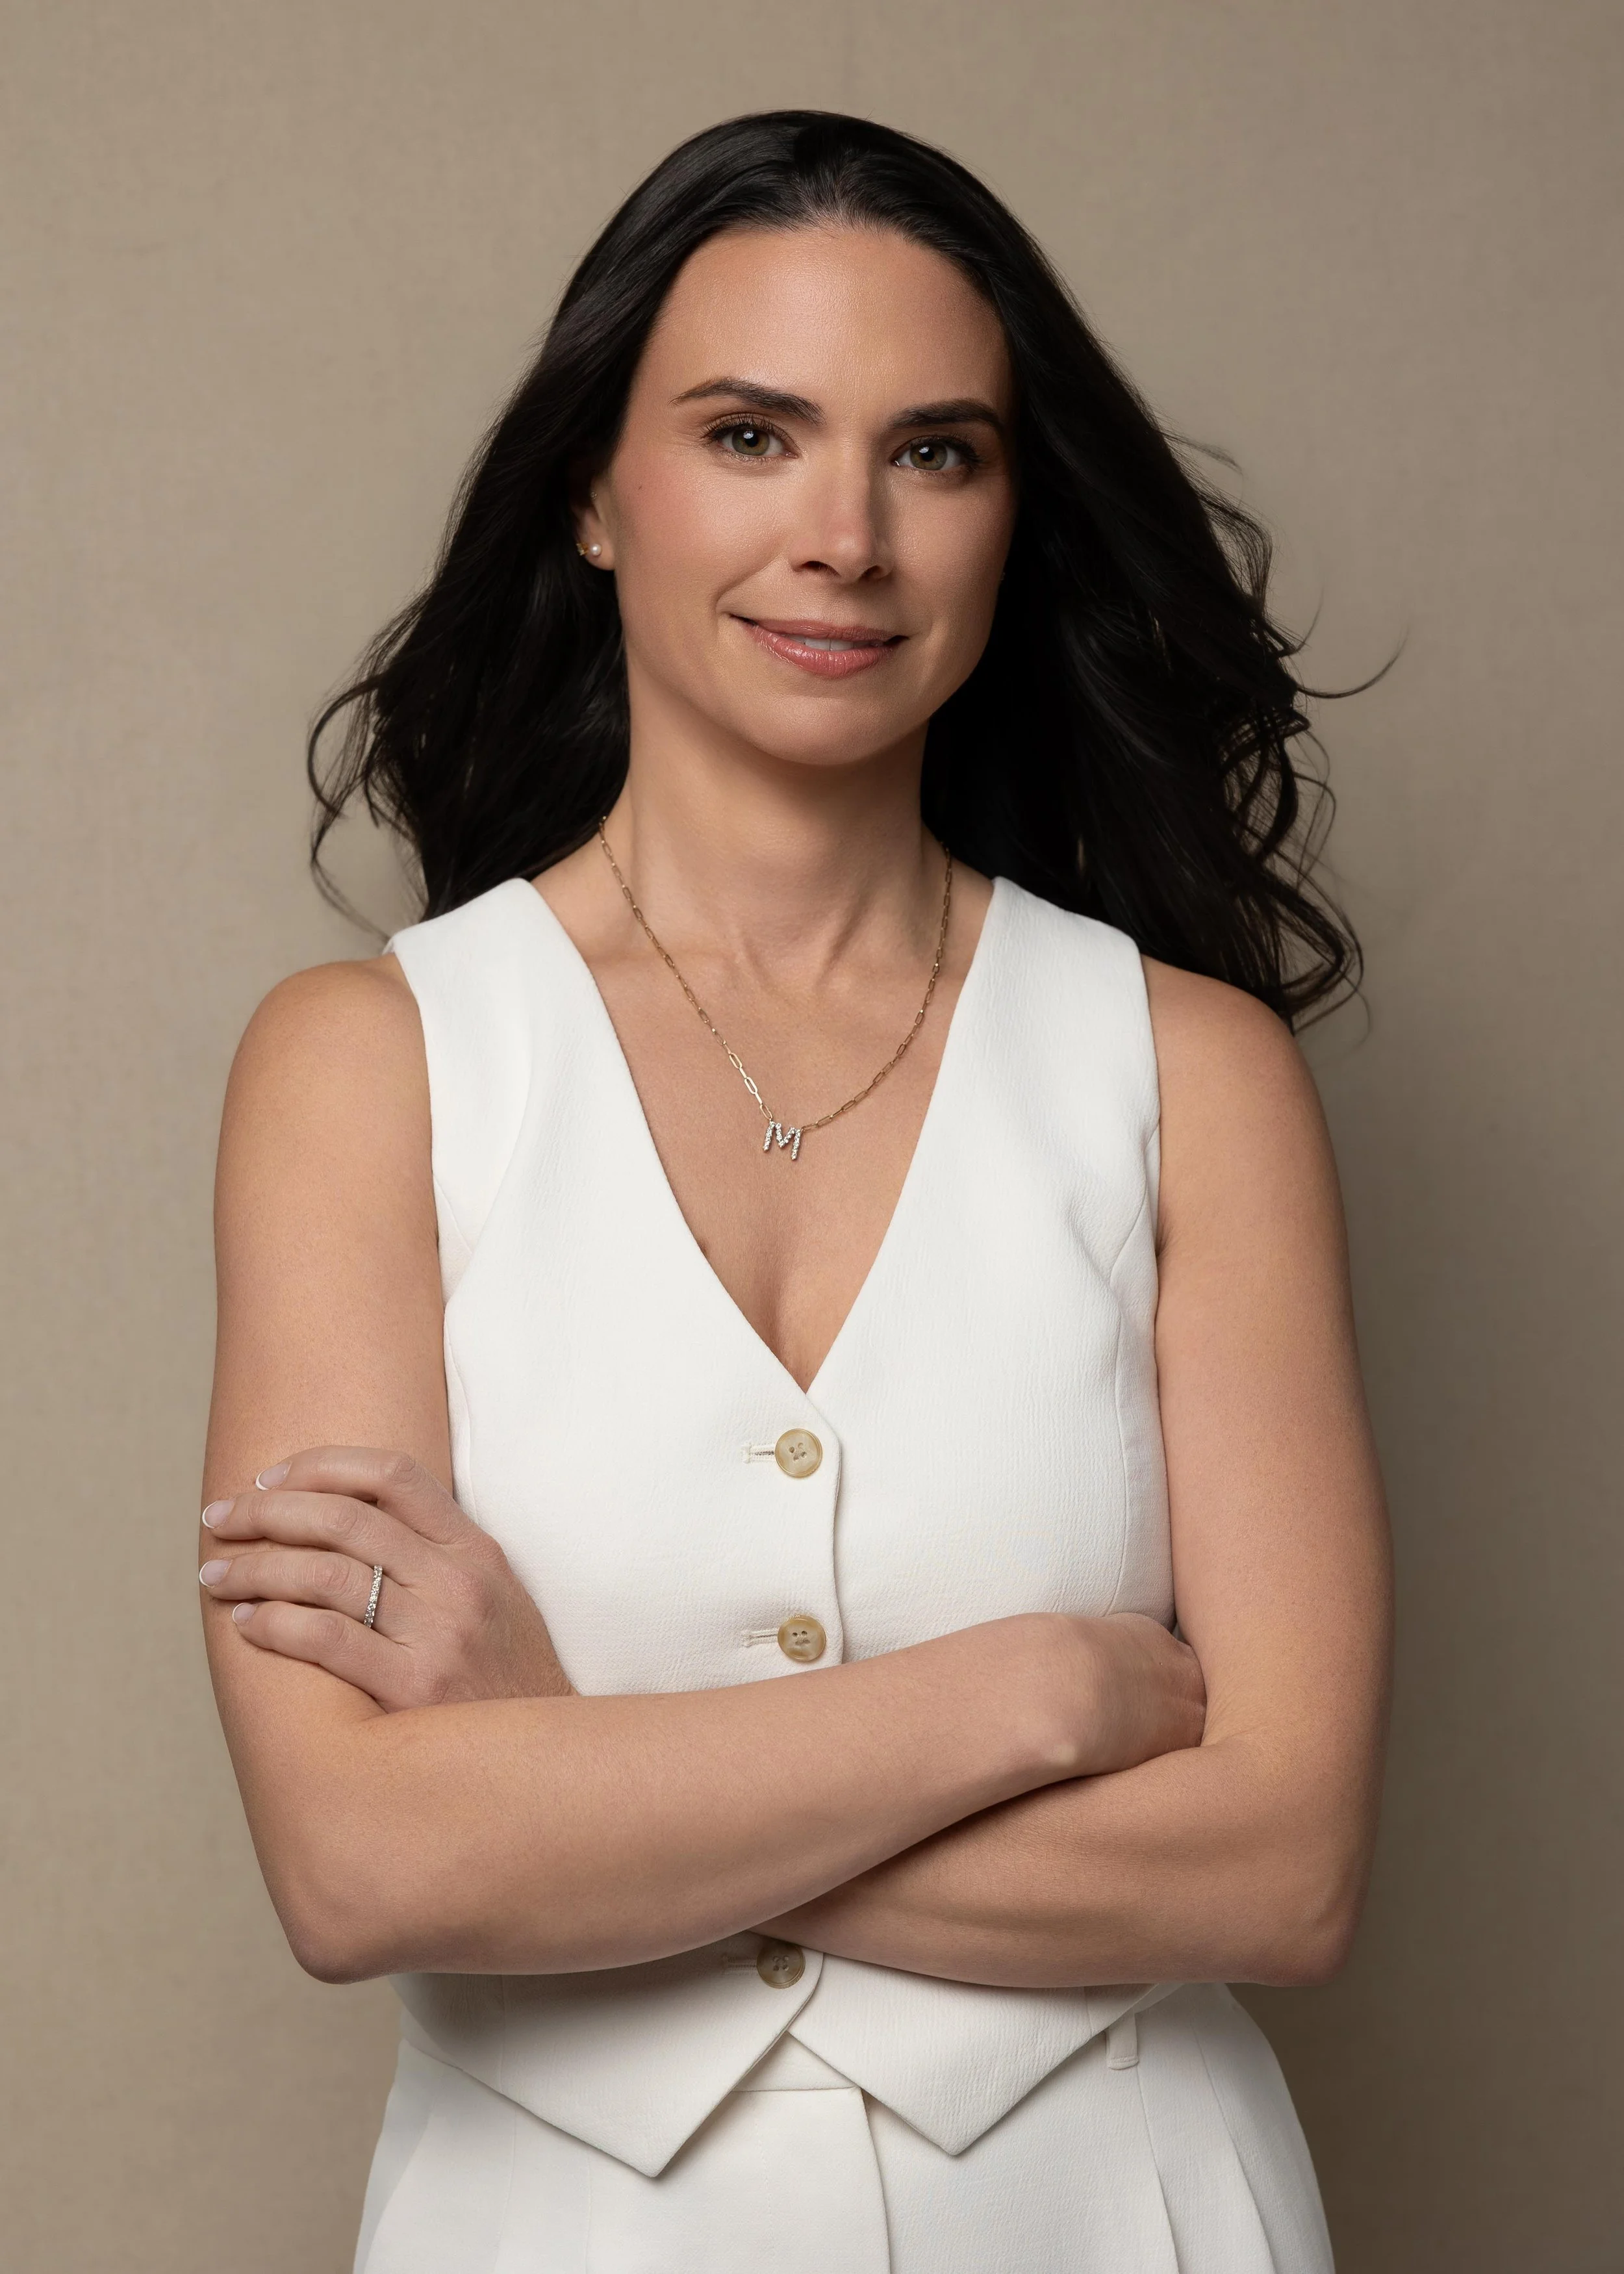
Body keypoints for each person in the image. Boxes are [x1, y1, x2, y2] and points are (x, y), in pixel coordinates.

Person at [197, 110, 1391, 2273]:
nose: (840, 533)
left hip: (1125, 2215)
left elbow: (1283, 1865)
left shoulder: (1185, 1077)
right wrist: (1011, 1704)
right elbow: (361, 1867)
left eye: (934, 452)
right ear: (593, 488)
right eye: (750, 433)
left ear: (1013, 518)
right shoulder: (366, 1068)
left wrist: (560, 1779)